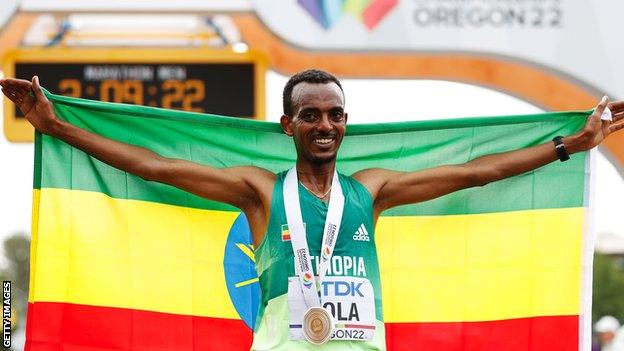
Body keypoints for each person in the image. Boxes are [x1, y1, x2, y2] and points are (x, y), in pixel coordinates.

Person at [1, 70, 623, 350]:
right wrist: (57, 128)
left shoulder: (371, 190)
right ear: (288, 124)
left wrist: (571, 144)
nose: (323, 125)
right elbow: (155, 167)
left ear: (346, 124)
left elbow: (473, 172)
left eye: (334, 114)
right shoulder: (260, 191)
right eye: (310, 114)